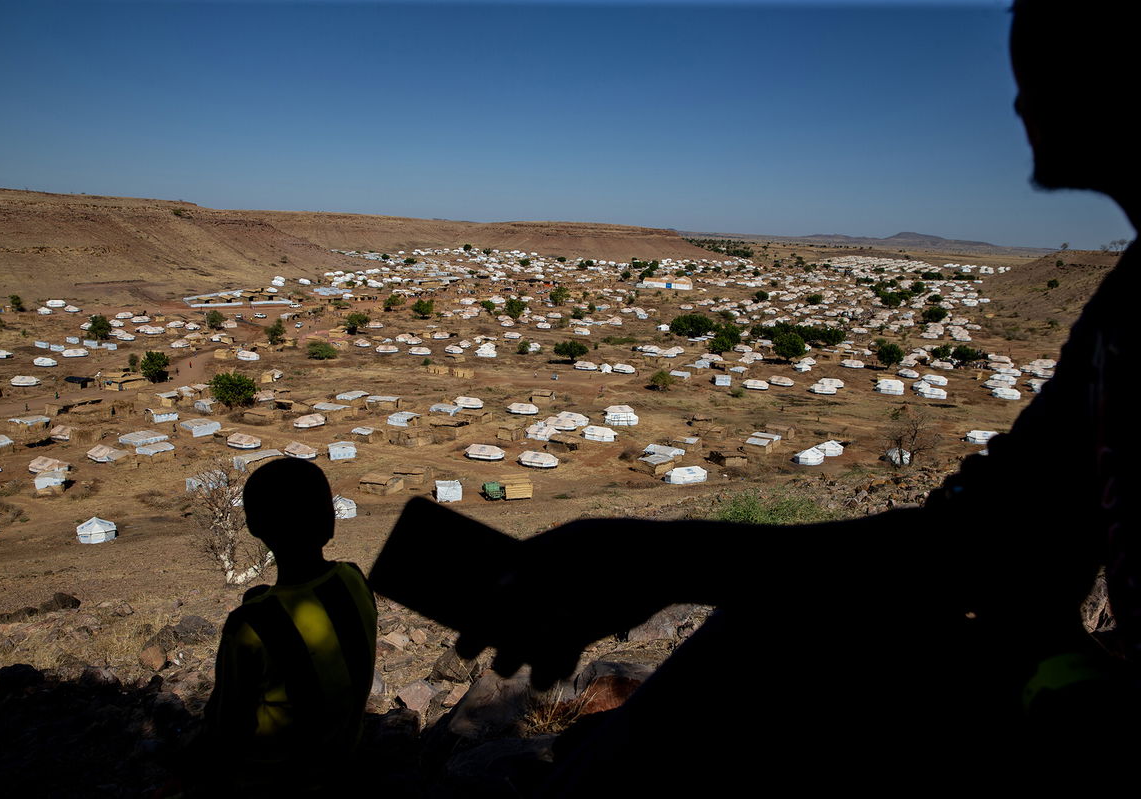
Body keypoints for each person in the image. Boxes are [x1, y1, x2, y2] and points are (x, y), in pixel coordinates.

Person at [380, 2, 1140, 791]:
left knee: (773, 639)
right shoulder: (1125, 314)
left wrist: (654, 559)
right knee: (776, 625)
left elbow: (970, 550)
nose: (1017, 99)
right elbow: (983, 537)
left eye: (1042, 55)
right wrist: (649, 557)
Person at [203, 458, 376, 792]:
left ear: (254, 527)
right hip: (342, 757)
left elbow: (223, 724)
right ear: (330, 521)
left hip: (274, 780)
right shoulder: (354, 579)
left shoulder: (249, 625)